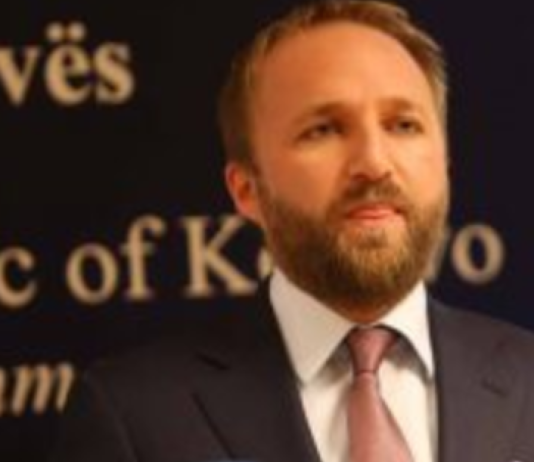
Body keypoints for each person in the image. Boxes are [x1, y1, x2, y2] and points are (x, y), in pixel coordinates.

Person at [50, 1, 534, 462]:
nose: (374, 163)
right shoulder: (135, 416)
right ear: (246, 189)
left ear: (445, 162)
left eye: (403, 125)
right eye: (323, 129)